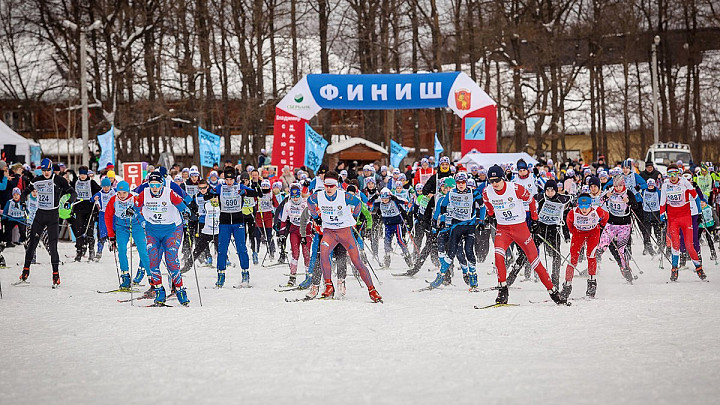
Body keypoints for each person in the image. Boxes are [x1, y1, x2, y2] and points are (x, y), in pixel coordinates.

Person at [481, 165, 566, 305]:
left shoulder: (514, 188)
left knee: (534, 261)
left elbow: (531, 201)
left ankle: (553, 291)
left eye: (497, 180)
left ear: (503, 178)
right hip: (503, 229)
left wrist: (534, 220)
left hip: (520, 228)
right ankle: (502, 290)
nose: (495, 183)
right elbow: (487, 204)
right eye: (491, 180)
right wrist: (491, 216)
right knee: (498, 256)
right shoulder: (487, 192)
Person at [306, 171, 382, 302]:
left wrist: (353, 217)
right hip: (329, 232)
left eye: (332, 185)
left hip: (344, 232)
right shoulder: (318, 196)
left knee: (357, 261)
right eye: (327, 185)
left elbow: (358, 204)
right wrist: (315, 217)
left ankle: (372, 290)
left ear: (337, 185)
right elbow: (309, 201)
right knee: (323, 254)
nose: (329, 188)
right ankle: (329, 286)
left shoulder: (344, 196)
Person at [16, 158, 77, 288]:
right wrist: (22, 202)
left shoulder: (59, 180)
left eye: (48, 170)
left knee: (53, 246)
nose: (46, 173)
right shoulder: (37, 180)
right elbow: (25, 192)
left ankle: (56, 275)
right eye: (44, 170)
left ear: (51, 169)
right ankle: (25, 272)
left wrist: (68, 202)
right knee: (32, 244)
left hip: (53, 216)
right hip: (40, 215)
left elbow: (73, 193)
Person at [132, 171, 190, 306]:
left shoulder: (169, 193)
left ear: (161, 184)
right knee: (153, 261)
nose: (154, 188)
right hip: (152, 230)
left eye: (157, 185)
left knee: (171, 259)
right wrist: (141, 220)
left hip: (172, 230)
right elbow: (135, 208)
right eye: (151, 185)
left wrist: (187, 214)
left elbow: (184, 208)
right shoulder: (144, 194)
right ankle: (159, 291)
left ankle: (180, 290)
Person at [427, 172, 483, 290]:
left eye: (463, 182)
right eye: (459, 183)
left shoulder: (474, 192)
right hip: (456, 226)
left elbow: (482, 206)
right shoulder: (451, 193)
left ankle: (473, 276)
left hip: (469, 225)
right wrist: (442, 219)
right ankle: (441, 276)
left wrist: (481, 220)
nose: (461, 185)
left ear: (466, 182)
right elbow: (443, 206)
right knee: (451, 252)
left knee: (468, 251)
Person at [214, 168, 260, 288]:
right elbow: (208, 194)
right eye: (227, 179)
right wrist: (211, 197)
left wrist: (246, 192)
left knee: (241, 248)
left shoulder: (240, 187)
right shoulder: (220, 187)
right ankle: (221, 275)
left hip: (238, 221)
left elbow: (257, 194)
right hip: (224, 222)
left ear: (235, 179)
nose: (229, 182)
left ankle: (245, 273)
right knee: (222, 249)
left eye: (231, 179)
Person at [660, 165, 706, 281]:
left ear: (678, 174)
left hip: (686, 217)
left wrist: (700, 213)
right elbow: (662, 202)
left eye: (674, 174)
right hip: (673, 219)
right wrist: (661, 217)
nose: (672, 177)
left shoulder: (685, 183)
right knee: (675, 245)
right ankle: (674, 269)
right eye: (670, 175)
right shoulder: (665, 185)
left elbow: (695, 197)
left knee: (689, 245)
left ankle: (699, 268)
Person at [105, 181, 151, 290]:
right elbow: (108, 217)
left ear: (128, 191)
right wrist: (111, 235)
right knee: (121, 249)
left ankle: (151, 277)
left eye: (124, 193)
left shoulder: (135, 199)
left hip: (136, 225)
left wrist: (136, 213)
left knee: (143, 250)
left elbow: (144, 212)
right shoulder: (113, 200)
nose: (121, 196)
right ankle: (125, 276)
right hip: (121, 227)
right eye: (119, 193)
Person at [564, 193, 609, 298]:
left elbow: (606, 217)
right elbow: (569, 223)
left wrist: (601, 226)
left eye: (587, 206)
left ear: (591, 205)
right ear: (578, 205)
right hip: (578, 233)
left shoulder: (597, 210)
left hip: (593, 233)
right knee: (573, 258)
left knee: (591, 255)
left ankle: (592, 284)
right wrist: (574, 232)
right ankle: (567, 285)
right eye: (581, 206)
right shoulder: (573, 213)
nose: (584, 210)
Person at [277, 184, 310, 287]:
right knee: (295, 254)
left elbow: (313, 216)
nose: (295, 199)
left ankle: (308, 277)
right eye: (293, 196)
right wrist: (281, 234)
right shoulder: (288, 204)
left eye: (297, 196)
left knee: (306, 253)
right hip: (294, 230)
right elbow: (283, 220)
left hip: (306, 231)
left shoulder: (305, 203)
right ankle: (292, 277)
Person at [71, 166, 102, 261]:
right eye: (81, 174)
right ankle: (79, 251)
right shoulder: (76, 182)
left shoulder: (91, 182)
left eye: (84, 174)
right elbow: (69, 191)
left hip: (89, 210)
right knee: (79, 231)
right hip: (79, 209)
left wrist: (96, 197)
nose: (83, 176)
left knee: (90, 231)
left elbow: (100, 191)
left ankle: (91, 251)